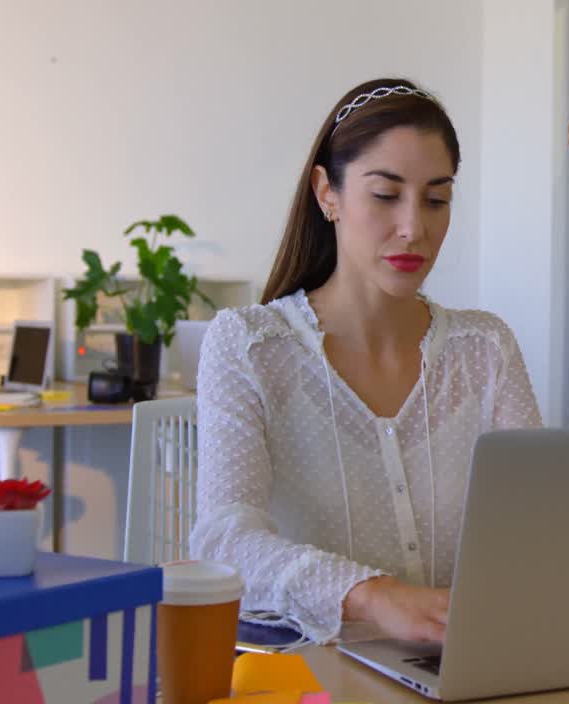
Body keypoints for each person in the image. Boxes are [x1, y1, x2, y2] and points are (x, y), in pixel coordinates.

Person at [191, 78, 542, 644]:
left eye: (436, 199)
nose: (414, 228)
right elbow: (223, 540)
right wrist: (371, 597)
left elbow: (537, 521)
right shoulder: (250, 346)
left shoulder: (486, 348)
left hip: (467, 665)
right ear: (326, 192)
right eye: (385, 195)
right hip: (312, 670)